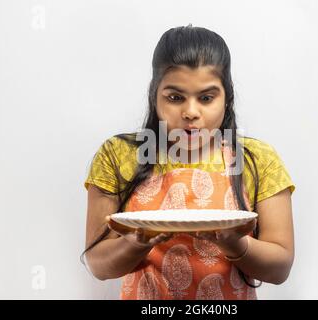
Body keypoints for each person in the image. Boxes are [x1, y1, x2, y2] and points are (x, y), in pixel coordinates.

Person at [82, 25, 296, 300]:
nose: (190, 112)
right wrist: (134, 244)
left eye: (206, 98)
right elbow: (97, 264)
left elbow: (280, 268)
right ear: (155, 95)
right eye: (175, 97)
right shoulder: (118, 155)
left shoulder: (258, 159)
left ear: (227, 98)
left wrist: (237, 245)